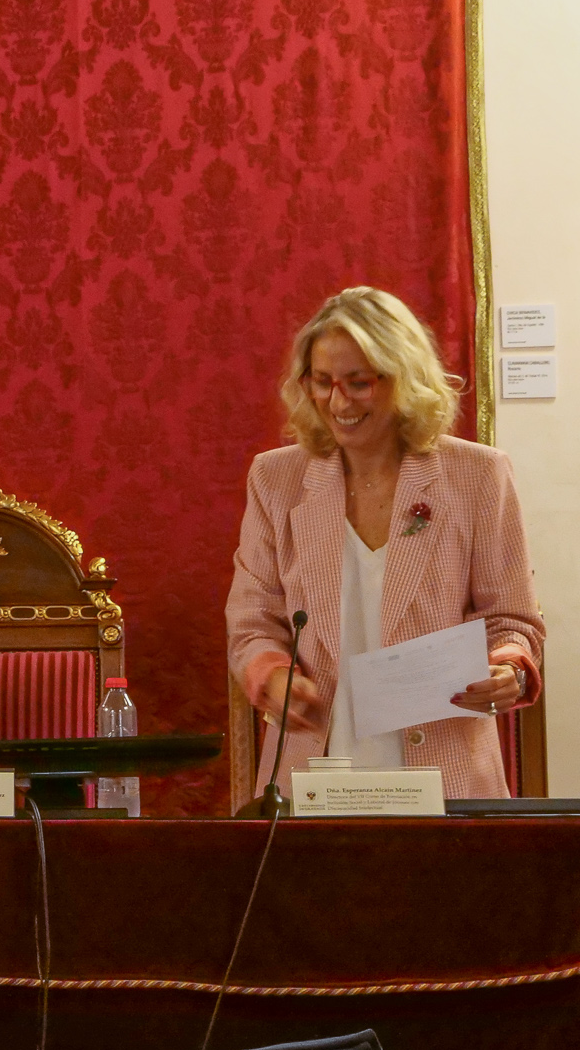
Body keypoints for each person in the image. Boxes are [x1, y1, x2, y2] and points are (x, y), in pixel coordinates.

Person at [227, 287, 544, 799]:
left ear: (405, 378)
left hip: (447, 773)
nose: (338, 402)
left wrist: (507, 667)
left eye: (359, 383)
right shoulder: (275, 478)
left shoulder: (479, 475)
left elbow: (512, 619)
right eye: (322, 382)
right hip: (314, 775)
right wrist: (274, 674)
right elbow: (252, 621)